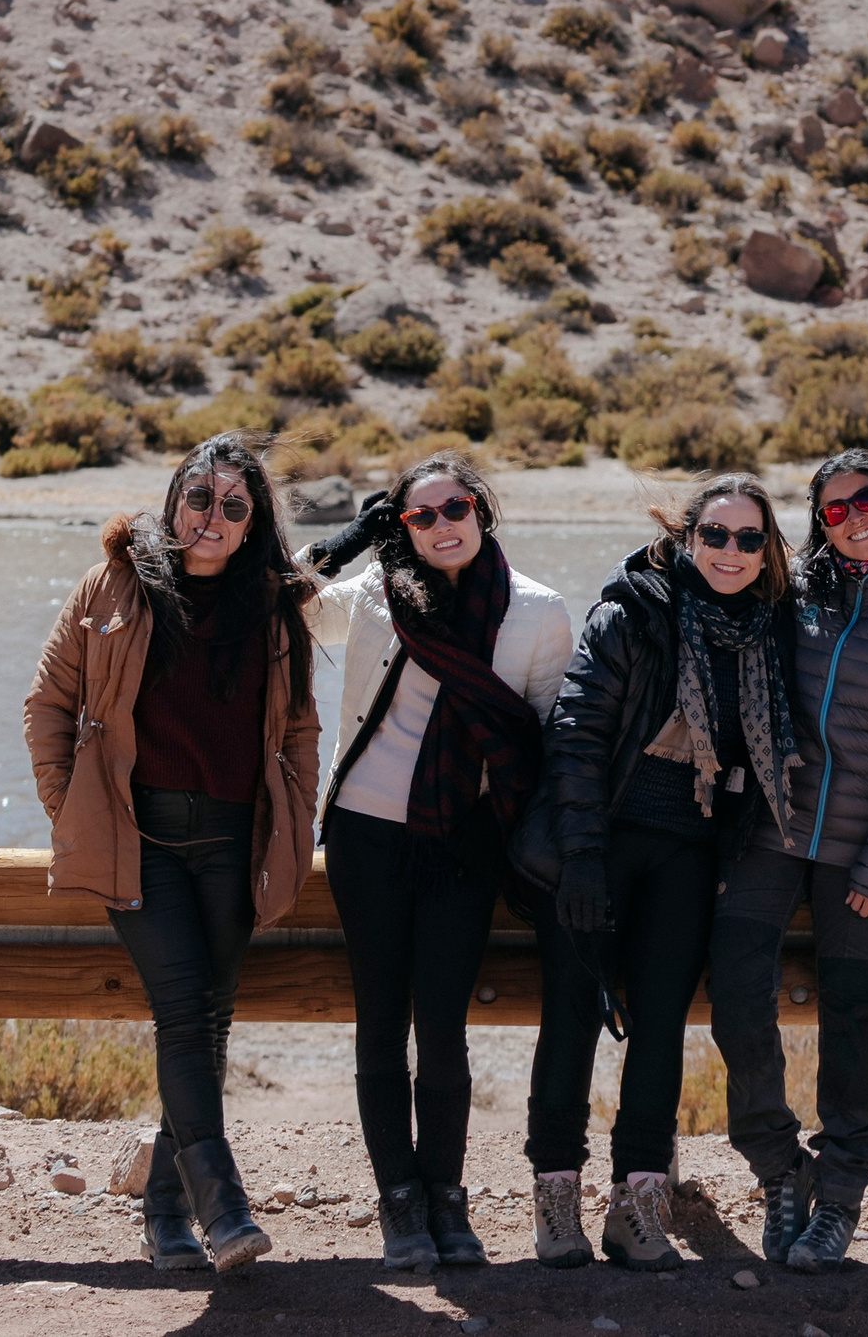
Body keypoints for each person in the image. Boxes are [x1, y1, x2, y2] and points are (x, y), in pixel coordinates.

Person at [23, 434, 320, 1273]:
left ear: (252, 520)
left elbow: (298, 729)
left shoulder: (272, 605)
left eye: (233, 505)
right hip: (138, 836)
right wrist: (73, 811)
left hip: (232, 837)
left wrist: (295, 824)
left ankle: (164, 1215)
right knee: (188, 1014)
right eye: (200, 497)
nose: (211, 518)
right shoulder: (114, 585)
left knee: (209, 1022)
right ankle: (224, 1209)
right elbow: (48, 704)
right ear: (173, 498)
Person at [516, 473, 800, 1272]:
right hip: (596, 840)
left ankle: (638, 1203)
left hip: (688, 851)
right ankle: (556, 1197)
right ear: (686, 536)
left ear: (767, 549)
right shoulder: (631, 611)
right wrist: (580, 856)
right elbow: (573, 733)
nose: (732, 552)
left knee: (661, 1027)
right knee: (570, 1018)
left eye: (750, 539)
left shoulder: (769, 632)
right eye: (716, 534)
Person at [300, 455, 572, 1272]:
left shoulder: (538, 611)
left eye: (455, 507)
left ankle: (447, 1197)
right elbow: (289, 591)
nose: (442, 524)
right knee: (380, 1022)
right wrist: (358, 535)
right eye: (419, 517)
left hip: (466, 840)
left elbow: (549, 742)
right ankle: (400, 1201)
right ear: (402, 527)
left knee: (443, 1027)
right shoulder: (373, 598)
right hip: (366, 838)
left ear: (481, 510)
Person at [708, 451, 868, 1273]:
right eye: (832, 509)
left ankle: (842, 1195)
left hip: (867, 854)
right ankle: (781, 1166)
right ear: (817, 524)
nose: (854, 516)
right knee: (736, 999)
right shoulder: (797, 599)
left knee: (853, 1031)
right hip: (772, 837)